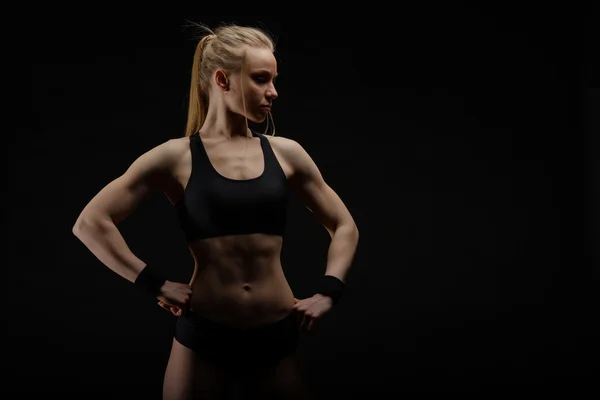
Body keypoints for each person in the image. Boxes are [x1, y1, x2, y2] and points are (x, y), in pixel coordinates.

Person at [72, 22, 359, 400]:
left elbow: (344, 225)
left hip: (276, 333)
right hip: (204, 335)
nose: (273, 91)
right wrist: (153, 282)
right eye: (260, 79)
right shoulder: (175, 156)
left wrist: (329, 291)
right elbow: (90, 222)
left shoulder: (286, 153)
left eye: (273, 79)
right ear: (222, 80)